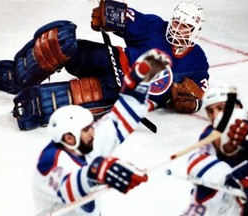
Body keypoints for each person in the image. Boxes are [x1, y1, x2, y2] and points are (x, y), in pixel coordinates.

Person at [0, 0, 209, 130]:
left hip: (123, 95)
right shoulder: (155, 27)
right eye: (177, 22)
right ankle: (16, 75)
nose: (177, 28)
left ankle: (32, 107)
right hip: (111, 59)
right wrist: (110, 15)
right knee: (62, 40)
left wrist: (190, 103)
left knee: (46, 103)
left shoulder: (198, 62)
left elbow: (196, 95)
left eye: (185, 26)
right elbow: (126, 18)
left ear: (195, 29)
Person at [33, 48, 172, 215]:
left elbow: (117, 121)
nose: (93, 132)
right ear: (69, 138)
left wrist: (136, 86)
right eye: (86, 129)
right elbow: (67, 188)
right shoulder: (49, 161)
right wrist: (95, 171)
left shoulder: (85, 144)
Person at [180, 84, 248, 215]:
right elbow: (197, 163)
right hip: (230, 205)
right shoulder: (210, 135)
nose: (215, 115)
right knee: (206, 187)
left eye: (221, 108)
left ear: (238, 107)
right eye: (210, 111)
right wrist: (232, 179)